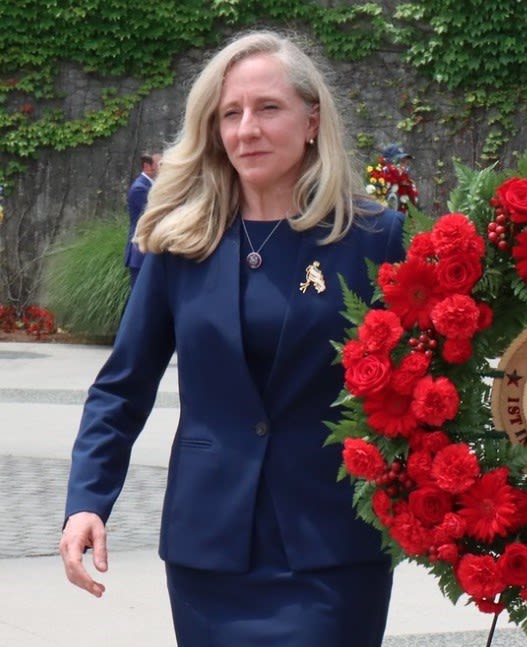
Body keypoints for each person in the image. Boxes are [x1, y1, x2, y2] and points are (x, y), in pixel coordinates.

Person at [60, 30, 404, 647]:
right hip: (209, 548)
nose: (247, 129)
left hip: (332, 544)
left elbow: (422, 382)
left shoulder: (373, 238)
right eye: (230, 113)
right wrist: (87, 500)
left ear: (311, 119)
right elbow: (122, 386)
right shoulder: (178, 243)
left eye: (268, 108)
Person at [123, 152, 161, 288]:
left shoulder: (152, 186)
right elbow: (155, 215)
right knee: (138, 298)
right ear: (147, 166)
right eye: (160, 165)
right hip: (140, 252)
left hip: (148, 251)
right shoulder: (140, 188)